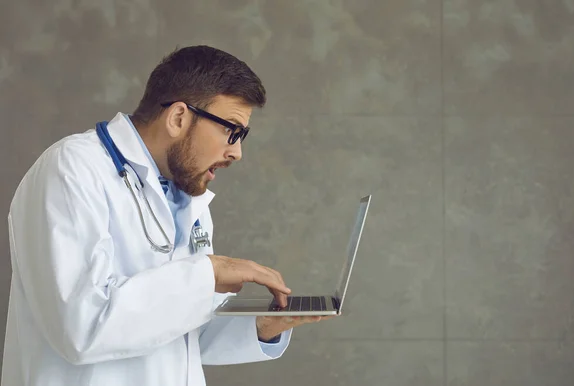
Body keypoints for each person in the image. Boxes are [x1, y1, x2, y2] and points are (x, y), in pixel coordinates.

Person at [1, 45, 333, 386]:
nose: (236, 152)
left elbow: (178, 331)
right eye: (232, 130)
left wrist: (262, 327)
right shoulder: (71, 170)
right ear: (178, 117)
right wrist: (209, 273)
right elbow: (80, 327)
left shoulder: (186, 195)